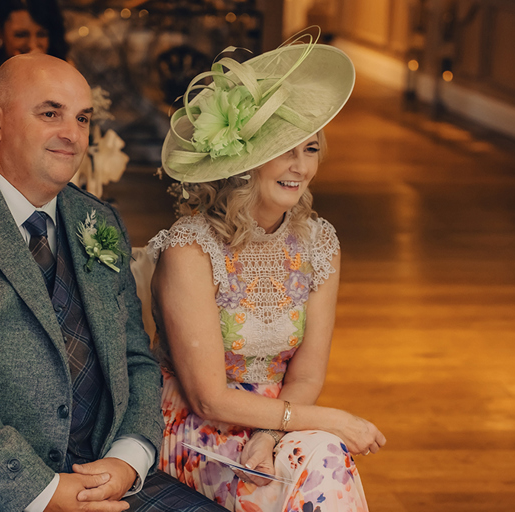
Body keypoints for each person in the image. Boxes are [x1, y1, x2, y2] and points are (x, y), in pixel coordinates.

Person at [0, 54, 225, 512]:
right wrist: (45, 493)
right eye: (50, 113)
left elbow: (136, 360)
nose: (72, 134)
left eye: (82, 118)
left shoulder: (97, 217)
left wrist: (128, 460)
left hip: (104, 479)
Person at [148, 34, 387, 511]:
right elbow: (209, 399)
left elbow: (308, 369)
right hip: (194, 429)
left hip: (277, 418)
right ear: (247, 162)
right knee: (323, 454)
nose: (301, 166)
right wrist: (324, 420)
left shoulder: (319, 244)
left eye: (312, 149)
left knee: (318, 457)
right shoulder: (191, 249)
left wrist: (271, 430)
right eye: (286, 150)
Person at [0, 0, 68, 154]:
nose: (32, 44)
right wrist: (32, 73)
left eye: (41, 34)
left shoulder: (62, 67)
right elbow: (9, 138)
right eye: (21, 35)